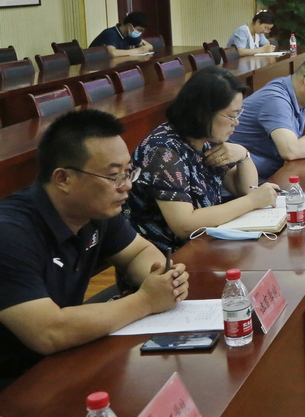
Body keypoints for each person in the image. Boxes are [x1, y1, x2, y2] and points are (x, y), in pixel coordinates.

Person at [0, 111, 189, 386]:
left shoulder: (95, 210)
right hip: (14, 382)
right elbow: (48, 332)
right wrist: (147, 300)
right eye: (113, 176)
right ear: (63, 179)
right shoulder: (10, 233)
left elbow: (138, 252)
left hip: (63, 359)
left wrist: (160, 278)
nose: (127, 186)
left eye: (128, 172)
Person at [126, 67, 280, 255]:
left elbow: (245, 189)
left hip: (203, 244)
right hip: (164, 258)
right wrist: (251, 201)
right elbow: (184, 225)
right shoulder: (163, 152)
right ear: (202, 114)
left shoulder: (203, 140)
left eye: (238, 114)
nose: (236, 122)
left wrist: (243, 155)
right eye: (231, 116)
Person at [228, 54, 305, 179]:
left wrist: (300, 145)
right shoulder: (275, 99)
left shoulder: (304, 96)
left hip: (273, 174)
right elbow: (290, 151)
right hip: (247, 181)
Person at [89, 11, 153, 57]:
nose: (139, 33)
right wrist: (138, 51)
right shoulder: (110, 33)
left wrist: (144, 49)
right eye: (139, 30)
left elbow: (150, 46)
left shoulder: (129, 34)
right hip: (94, 67)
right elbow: (113, 53)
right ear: (129, 26)